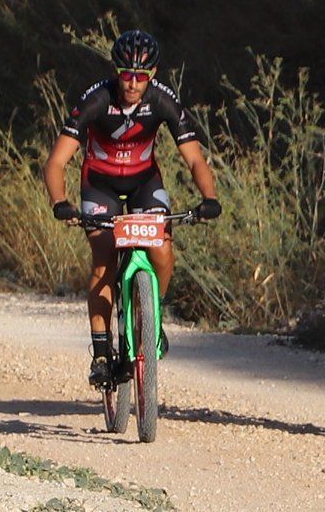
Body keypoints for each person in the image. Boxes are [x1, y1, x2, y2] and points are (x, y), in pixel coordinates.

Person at [44, 30, 221, 386]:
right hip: (100, 184)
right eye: (126, 74)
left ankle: (152, 315)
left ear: (152, 74)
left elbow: (195, 159)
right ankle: (101, 352)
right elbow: (56, 162)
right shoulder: (96, 98)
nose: (133, 83)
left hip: (144, 183)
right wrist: (60, 203)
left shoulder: (162, 100)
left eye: (142, 76)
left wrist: (210, 197)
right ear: (116, 71)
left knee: (162, 248)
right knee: (104, 255)